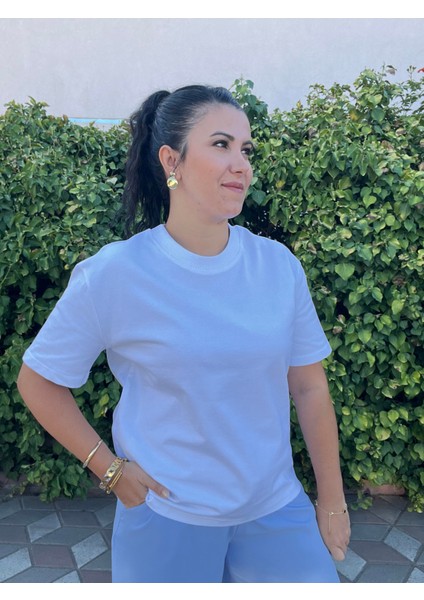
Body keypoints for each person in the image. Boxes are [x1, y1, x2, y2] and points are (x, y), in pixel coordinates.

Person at [17, 84, 350, 583]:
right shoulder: (116, 273)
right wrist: (110, 470)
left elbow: (308, 386)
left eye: (246, 149)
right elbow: (38, 380)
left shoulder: (277, 266)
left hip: (277, 512)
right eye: (221, 144)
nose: (241, 164)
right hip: (164, 517)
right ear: (172, 160)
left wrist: (333, 500)